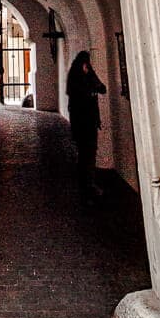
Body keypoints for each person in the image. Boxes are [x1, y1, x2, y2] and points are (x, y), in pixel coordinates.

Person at [66, 50, 107, 203]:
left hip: (89, 119)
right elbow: (75, 94)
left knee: (89, 151)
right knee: (85, 151)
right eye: (84, 63)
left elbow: (102, 88)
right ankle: (86, 182)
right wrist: (90, 91)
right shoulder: (75, 76)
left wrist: (91, 79)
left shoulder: (88, 73)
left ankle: (87, 181)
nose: (86, 66)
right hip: (80, 119)